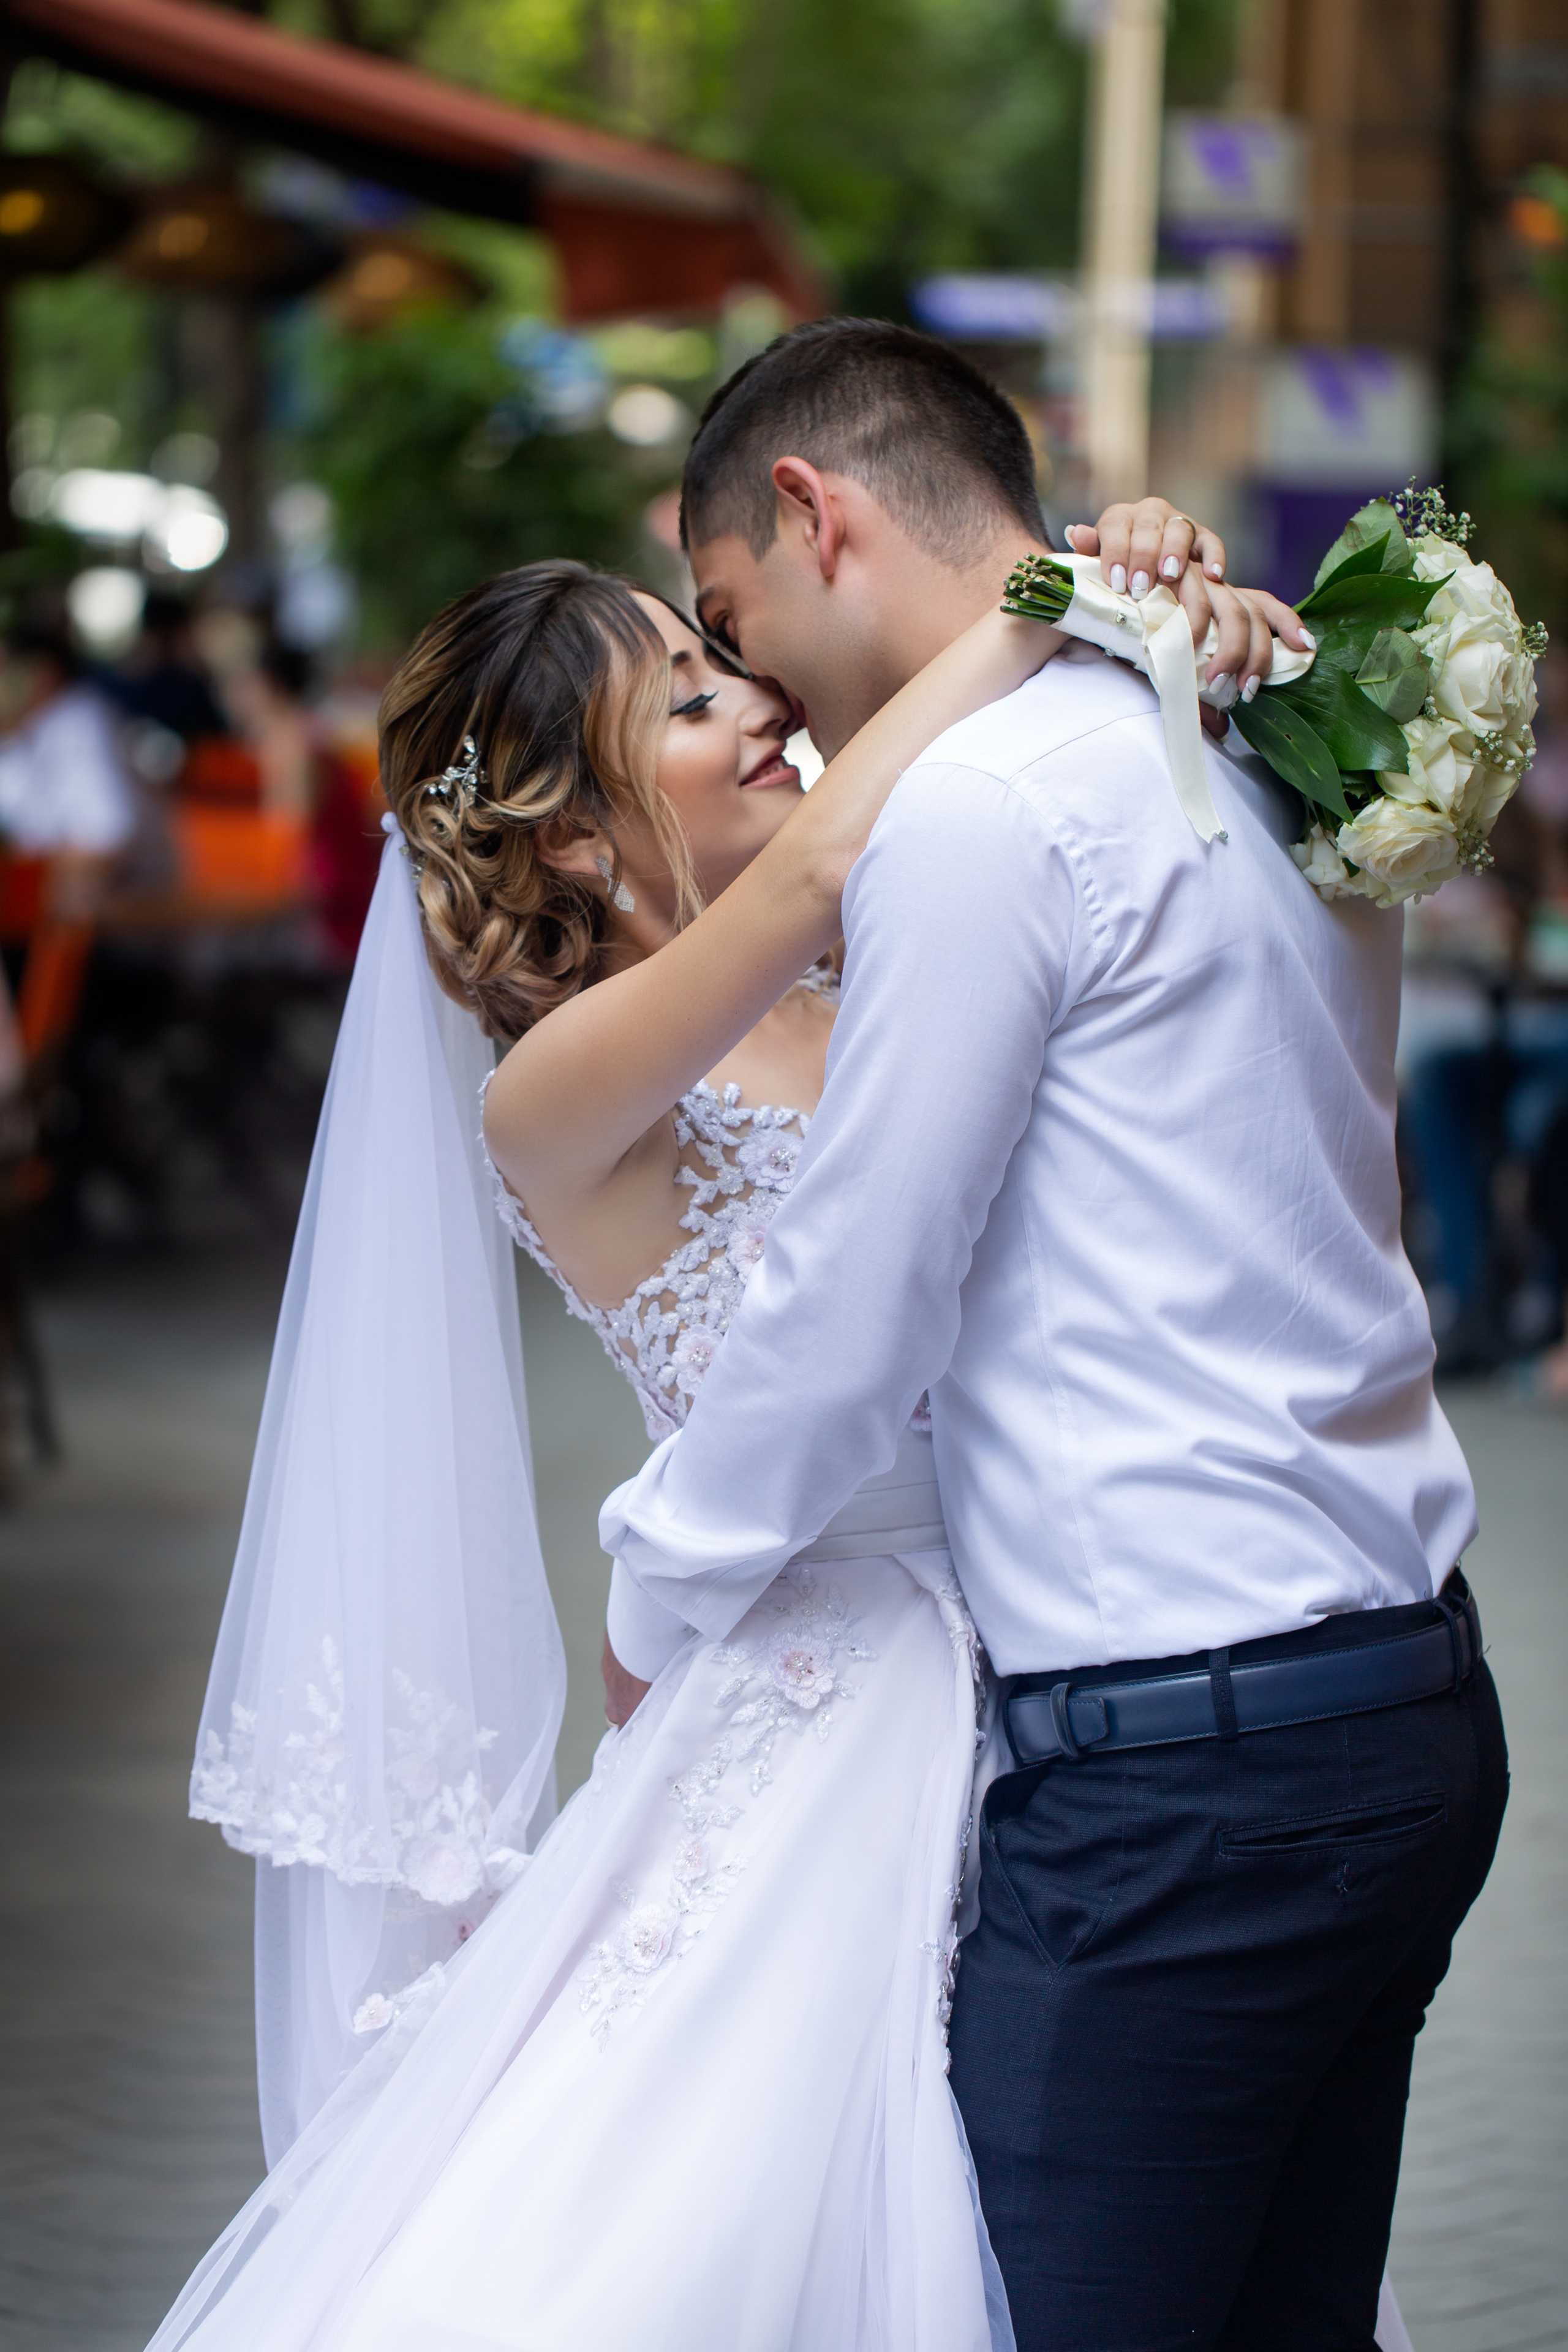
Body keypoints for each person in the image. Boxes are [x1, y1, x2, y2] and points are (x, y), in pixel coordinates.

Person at [153, 454, 1290, 2345]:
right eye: (687, 698)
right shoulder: (559, 1094)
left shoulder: (884, 948)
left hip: (1077, 1622)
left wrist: (1177, 604)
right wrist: (1045, 589)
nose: (759, 704)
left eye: (723, 660)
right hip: (828, 1689)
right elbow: (844, 834)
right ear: (581, 840)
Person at [598, 318, 1505, 2351]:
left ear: (818, 513)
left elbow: (862, 1284)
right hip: (1405, 1695)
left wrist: (659, 1594)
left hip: (1185, 1777)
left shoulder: (992, 802)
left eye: (734, 617)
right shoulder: (1251, 722)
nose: (756, 688)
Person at [0, 620, 136, 914]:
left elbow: (104, 847)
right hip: (53, 915)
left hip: (124, 927)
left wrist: (24, 872)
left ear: (42, 673)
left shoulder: (80, 718)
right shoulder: (18, 735)